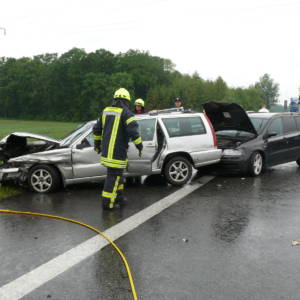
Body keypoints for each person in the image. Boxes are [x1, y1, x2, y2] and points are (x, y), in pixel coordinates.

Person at [93, 88, 143, 210]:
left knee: (118, 176)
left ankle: (119, 198)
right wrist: (139, 146)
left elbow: (97, 129)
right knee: (113, 177)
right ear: (126, 101)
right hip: (117, 153)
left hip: (107, 152)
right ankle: (108, 204)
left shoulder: (105, 111)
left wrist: (97, 145)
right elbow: (134, 132)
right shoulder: (126, 113)